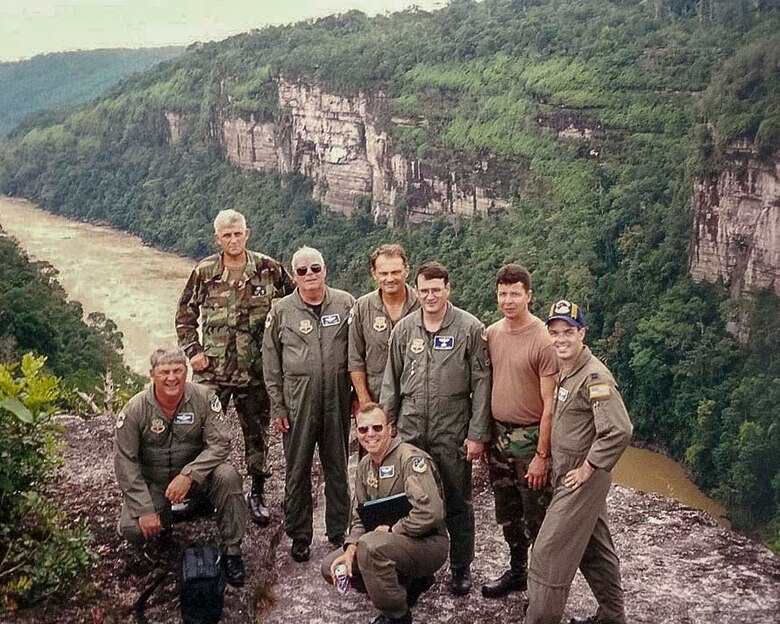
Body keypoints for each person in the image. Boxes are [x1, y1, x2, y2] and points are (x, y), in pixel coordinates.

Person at [176, 208, 293, 526]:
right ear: (217, 238)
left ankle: (256, 494)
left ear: (247, 234)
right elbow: (185, 313)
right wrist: (193, 351)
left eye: (237, 233)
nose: (233, 240)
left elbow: (294, 306)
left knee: (257, 435)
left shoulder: (268, 269)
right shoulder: (205, 271)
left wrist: (287, 351)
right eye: (226, 235)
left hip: (256, 371)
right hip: (213, 373)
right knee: (199, 432)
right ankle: (200, 494)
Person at [380, 261, 491, 595]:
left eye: (436, 289)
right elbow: (391, 380)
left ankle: (460, 567)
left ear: (448, 289)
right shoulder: (404, 329)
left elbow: (482, 383)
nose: (430, 296)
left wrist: (477, 433)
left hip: (452, 429)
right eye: (424, 290)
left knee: (457, 501)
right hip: (411, 430)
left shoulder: (469, 329)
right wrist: (388, 425)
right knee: (410, 500)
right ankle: (415, 567)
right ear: (418, 290)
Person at [525, 300, 633, 624]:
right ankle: (613, 616)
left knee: (547, 553)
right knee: (593, 548)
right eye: (554, 332)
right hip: (567, 473)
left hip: (580, 479)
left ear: (582, 333)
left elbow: (619, 429)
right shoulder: (567, 370)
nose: (560, 339)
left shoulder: (595, 376)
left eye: (568, 332)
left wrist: (589, 467)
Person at [114, 347, 247, 586]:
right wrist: (145, 509)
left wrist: (190, 474)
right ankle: (162, 528)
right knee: (131, 528)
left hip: (196, 481)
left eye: (178, 370)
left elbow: (221, 444)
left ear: (187, 372)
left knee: (228, 475)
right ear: (151, 374)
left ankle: (232, 551)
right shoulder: (135, 409)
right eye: (164, 372)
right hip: (155, 483)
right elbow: (125, 462)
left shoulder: (204, 398)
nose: (172, 378)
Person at [262, 246, 355, 563]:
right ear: (294, 275)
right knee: (297, 469)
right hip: (298, 399)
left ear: (325, 269)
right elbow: (271, 361)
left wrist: (358, 397)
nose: (309, 275)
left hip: (338, 397)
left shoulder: (345, 303)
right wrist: (278, 405)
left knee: (338, 467)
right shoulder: (281, 311)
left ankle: (338, 531)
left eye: (314, 268)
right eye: (301, 271)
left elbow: (358, 352)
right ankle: (300, 535)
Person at [321, 403, 448, 624]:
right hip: (388, 545)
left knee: (371, 547)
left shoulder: (410, 460)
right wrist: (350, 549)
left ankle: (397, 613)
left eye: (377, 428)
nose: (370, 434)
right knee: (331, 566)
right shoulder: (364, 467)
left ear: (390, 428)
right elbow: (360, 517)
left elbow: (431, 513)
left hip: (428, 543)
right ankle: (407, 585)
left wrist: (393, 530)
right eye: (363, 429)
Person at [482, 264, 557, 598]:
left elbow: (550, 404)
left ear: (529, 295)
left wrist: (542, 455)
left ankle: (542, 590)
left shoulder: (543, 339)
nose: (508, 300)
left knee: (537, 517)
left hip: (530, 442)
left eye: (515, 293)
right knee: (509, 513)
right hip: (499, 438)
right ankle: (517, 572)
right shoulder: (493, 333)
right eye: (503, 294)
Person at [349, 244, 419, 409]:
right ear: (374, 274)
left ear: (406, 271)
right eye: (383, 273)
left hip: (415, 401)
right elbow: (355, 358)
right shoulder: (362, 307)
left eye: (395, 272)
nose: (389, 279)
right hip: (376, 397)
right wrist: (364, 401)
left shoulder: (422, 305)